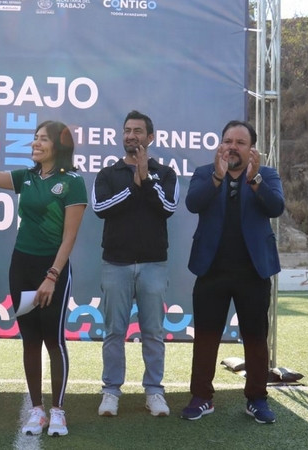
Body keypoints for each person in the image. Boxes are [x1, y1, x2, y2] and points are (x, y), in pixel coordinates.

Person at [0, 117, 87, 437]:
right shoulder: (26, 177)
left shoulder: (72, 181)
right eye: (34, 138)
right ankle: (37, 410)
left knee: (54, 340)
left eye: (43, 139)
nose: (35, 143)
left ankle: (58, 411)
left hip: (52, 270)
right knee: (30, 340)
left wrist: (52, 276)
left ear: (58, 146)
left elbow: (69, 238)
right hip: (21, 267)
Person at [181, 120, 284, 424]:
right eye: (228, 141)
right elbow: (193, 203)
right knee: (206, 337)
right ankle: (201, 397)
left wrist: (255, 181)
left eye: (240, 142)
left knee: (255, 338)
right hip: (211, 270)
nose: (232, 147)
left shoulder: (267, 175)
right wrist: (217, 176)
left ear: (252, 149)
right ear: (220, 146)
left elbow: (276, 207)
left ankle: (257, 399)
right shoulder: (205, 173)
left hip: (253, 272)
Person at [92, 110, 179, 418]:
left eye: (138, 131)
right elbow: (101, 207)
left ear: (150, 137)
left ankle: (154, 391)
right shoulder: (109, 173)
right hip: (115, 264)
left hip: (154, 264)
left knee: (153, 331)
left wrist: (146, 176)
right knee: (114, 331)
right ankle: (111, 391)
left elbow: (167, 207)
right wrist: (134, 183)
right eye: (127, 130)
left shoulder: (165, 173)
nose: (131, 135)